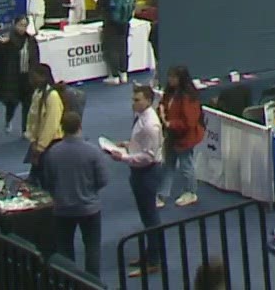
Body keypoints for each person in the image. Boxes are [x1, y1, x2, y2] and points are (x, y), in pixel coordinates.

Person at [34, 110, 108, 277]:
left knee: (65, 248)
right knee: (92, 247)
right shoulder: (93, 151)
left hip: (63, 208)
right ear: (80, 126)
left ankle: (68, 282)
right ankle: (92, 283)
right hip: (89, 208)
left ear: (62, 128)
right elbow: (103, 180)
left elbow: (48, 181)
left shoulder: (52, 153)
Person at [107, 85, 166, 277]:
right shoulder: (142, 118)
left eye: (137, 100)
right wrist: (128, 144)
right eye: (133, 100)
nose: (133, 103)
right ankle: (150, 253)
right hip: (141, 171)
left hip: (147, 172)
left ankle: (154, 260)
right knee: (146, 216)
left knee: (150, 217)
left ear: (148, 101)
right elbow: (142, 145)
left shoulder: (150, 125)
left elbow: (148, 156)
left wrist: (122, 157)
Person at [160, 67, 204, 207]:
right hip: (172, 135)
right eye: (169, 76)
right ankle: (162, 194)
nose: (170, 80)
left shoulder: (188, 96)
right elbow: (165, 106)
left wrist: (169, 123)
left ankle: (191, 192)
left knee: (186, 165)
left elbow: (189, 122)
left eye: (174, 77)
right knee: (168, 164)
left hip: (185, 136)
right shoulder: (170, 92)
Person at [0, 17, 40, 133]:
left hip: (28, 77)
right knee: (11, 103)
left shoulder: (31, 40)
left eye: (25, 25)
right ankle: (8, 120)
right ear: (15, 24)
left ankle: (25, 129)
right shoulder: (7, 41)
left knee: (28, 104)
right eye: (20, 25)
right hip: (13, 77)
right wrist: (0, 44)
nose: (23, 28)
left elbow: (36, 58)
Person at [24, 63, 65, 164]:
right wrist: (32, 140)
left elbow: (51, 124)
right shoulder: (37, 93)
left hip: (52, 143)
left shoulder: (52, 96)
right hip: (38, 142)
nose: (31, 80)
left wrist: (40, 147)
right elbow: (31, 119)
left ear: (43, 77)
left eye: (33, 77)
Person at [99, 0, 133, 83]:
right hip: (124, 23)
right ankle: (124, 73)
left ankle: (114, 76)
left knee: (111, 48)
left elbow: (99, 7)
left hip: (110, 23)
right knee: (123, 46)